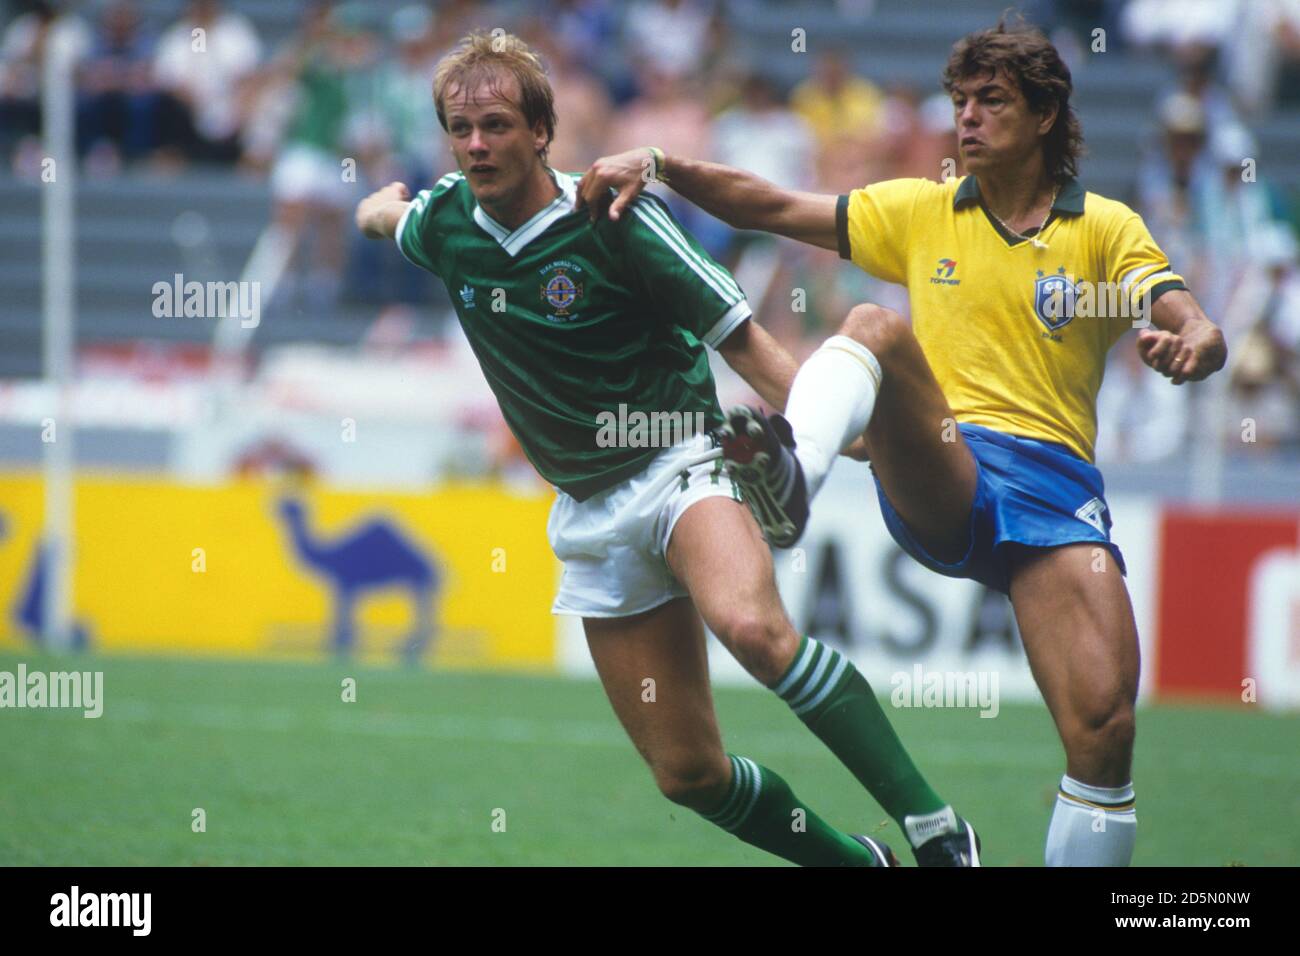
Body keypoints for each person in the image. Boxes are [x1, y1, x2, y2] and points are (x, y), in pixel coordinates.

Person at [580, 16, 1227, 866]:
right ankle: (792, 470)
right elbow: (769, 204)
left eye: (990, 101)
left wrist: (1198, 344)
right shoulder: (921, 210)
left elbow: (1191, 320)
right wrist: (661, 165)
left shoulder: (1103, 228)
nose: (965, 117)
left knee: (1105, 736)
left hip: (1056, 488)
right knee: (877, 326)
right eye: (959, 101)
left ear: (1044, 116)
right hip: (945, 457)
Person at [356, 30, 980, 867]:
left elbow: (744, 339)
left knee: (754, 630)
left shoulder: (615, 219)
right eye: (460, 129)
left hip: (685, 463)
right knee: (688, 773)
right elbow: (388, 218)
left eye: (497, 126)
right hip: (589, 511)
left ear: (542, 131)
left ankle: (937, 828)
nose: (476, 145)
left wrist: (827, 429)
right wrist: (375, 207)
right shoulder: (444, 222)